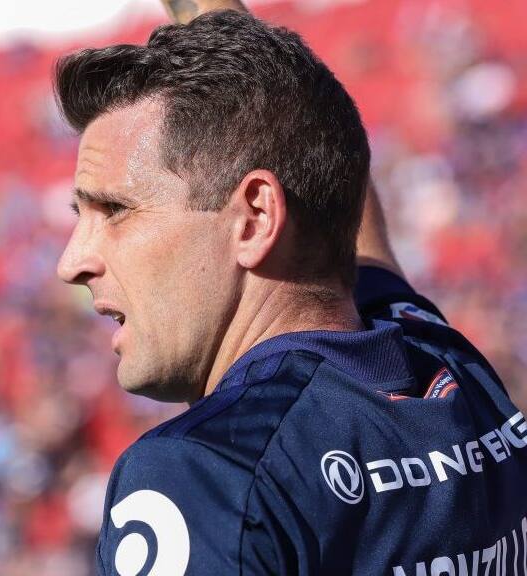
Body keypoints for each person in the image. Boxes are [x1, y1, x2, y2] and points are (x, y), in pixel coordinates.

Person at [54, 3, 527, 575]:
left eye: (116, 210)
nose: (72, 263)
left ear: (254, 218)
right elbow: (341, 217)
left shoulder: (204, 470)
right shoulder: (448, 368)